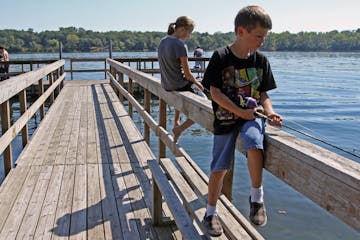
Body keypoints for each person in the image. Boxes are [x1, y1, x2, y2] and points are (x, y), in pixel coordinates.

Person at [201, 6, 282, 236]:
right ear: (240, 31)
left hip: (252, 117)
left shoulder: (261, 61)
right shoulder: (221, 57)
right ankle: (210, 212)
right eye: (258, 36)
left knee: (255, 143)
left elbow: (264, 94)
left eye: (264, 37)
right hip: (226, 118)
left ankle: (257, 199)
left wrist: (270, 112)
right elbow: (214, 93)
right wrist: (238, 110)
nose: (262, 41)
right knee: (219, 168)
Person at [158, 16, 207, 143]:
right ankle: (179, 129)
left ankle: (176, 121)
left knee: (182, 96)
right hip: (178, 84)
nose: (189, 36)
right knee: (206, 106)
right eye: (189, 32)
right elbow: (187, 74)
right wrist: (197, 83)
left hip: (166, 84)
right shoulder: (180, 45)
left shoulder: (162, 41)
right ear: (183, 29)